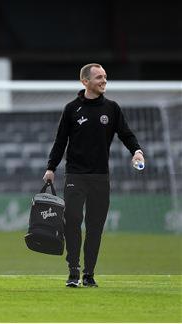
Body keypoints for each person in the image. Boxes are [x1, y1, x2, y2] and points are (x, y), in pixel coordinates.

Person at [43, 63, 144, 288]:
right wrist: (51, 167)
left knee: (95, 227)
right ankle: (73, 271)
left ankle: (89, 274)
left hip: (100, 177)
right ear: (85, 81)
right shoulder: (71, 109)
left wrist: (136, 151)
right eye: (99, 77)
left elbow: (126, 134)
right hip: (75, 176)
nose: (104, 81)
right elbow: (60, 141)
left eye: (105, 77)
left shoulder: (112, 108)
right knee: (72, 223)